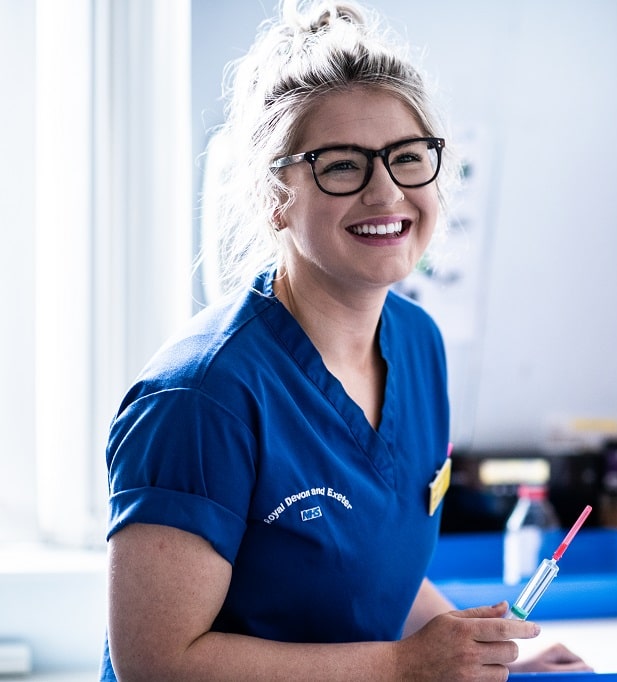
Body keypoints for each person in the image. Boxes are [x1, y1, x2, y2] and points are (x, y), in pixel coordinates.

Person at [101, 1, 591, 679]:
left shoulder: (418, 344)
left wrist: (486, 661)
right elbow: (156, 664)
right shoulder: (200, 399)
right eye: (341, 166)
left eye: (407, 157)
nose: (386, 192)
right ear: (276, 194)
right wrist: (399, 667)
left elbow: (368, 576)